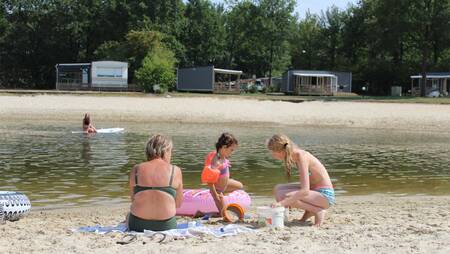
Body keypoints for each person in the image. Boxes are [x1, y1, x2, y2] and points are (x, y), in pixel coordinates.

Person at [267, 134, 335, 226]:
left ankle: (317, 210)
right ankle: (296, 214)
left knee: (285, 196)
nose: (273, 155)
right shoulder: (295, 155)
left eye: (273, 152)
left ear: (281, 151)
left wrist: (281, 203)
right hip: (315, 192)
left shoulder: (302, 156)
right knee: (278, 189)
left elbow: (305, 191)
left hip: (325, 196)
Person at [127, 134, 183, 232]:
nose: (171, 155)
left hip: (138, 225)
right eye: (170, 151)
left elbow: (133, 199)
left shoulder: (136, 169)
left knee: (128, 215)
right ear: (165, 151)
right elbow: (177, 204)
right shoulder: (175, 170)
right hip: (166, 225)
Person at [201, 133, 243, 216]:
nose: (232, 152)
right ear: (224, 147)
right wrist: (216, 196)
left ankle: (225, 192)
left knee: (240, 186)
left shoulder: (222, 156)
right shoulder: (215, 160)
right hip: (217, 190)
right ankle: (201, 214)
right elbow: (210, 181)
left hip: (225, 185)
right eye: (231, 150)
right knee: (223, 214)